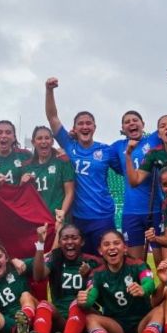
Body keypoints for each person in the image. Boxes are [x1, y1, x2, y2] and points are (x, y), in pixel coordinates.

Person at [110, 73, 167, 261]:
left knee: (163, 263)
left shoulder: (153, 139)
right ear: (122, 128)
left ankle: (164, 291)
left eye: (135, 120)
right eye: (127, 121)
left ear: (143, 124)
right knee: (135, 264)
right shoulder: (116, 148)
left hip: (156, 209)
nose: (131, 123)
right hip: (131, 213)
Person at [45, 78, 118, 252]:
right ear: (74, 128)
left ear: (94, 127)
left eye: (88, 123)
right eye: (81, 123)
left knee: (105, 260)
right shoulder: (69, 145)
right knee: (81, 263)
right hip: (78, 218)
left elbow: (127, 169)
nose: (85, 126)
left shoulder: (105, 151)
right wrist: (49, 90)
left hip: (103, 216)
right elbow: (52, 117)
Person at [76, 230, 157, 333]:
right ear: (100, 251)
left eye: (116, 243)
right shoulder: (97, 274)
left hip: (142, 323)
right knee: (91, 318)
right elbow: (91, 296)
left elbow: (150, 283)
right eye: (106, 244)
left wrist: (143, 289)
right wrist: (83, 300)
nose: (112, 247)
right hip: (117, 326)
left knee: (161, 309)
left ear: (124, 248)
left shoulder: (138, 265)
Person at [29, 221, 101, 333]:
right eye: (65, 238)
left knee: (77, 302)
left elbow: (103, 288)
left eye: (74, 238)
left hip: (87, 318)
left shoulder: (92, 261)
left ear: (82, 241)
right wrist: (40, 245)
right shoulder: (55, 258)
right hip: (62, 319)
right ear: (60, 242)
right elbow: (38, 276)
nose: (69, 242)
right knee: (44, 304)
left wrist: (90, 274)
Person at [20, 126, 75, 217]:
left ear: (52, 141)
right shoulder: (26, 166)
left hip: (57, 219)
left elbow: (69, 193)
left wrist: (62, 214)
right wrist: (21, 183)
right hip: (36, 219)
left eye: (47, 138)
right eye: (39, 138)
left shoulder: (63, 162)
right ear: (33, 142)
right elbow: (22, 196)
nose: (43, 141)